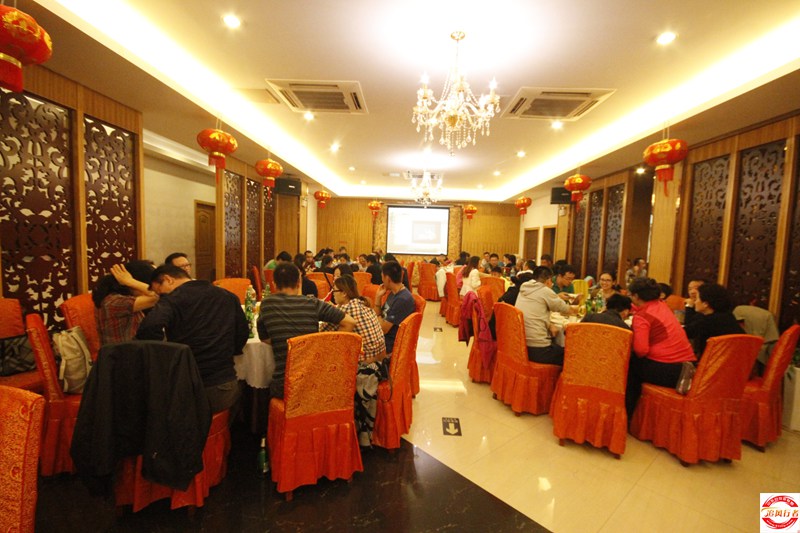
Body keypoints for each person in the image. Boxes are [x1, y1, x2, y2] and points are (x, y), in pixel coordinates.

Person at [136, 264, 249, 413]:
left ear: (168, 279)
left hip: (186, 385)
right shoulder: (227, 296)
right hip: (223, 384)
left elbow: (149, 327)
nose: (161, 297)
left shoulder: (173, 299)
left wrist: (165, 354)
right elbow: (242, 333)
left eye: (160, 292)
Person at [257, 263, 356, 399]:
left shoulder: (267, 304)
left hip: (284, 387)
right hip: (314, 383)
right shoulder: (312, 303)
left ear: (273, 284)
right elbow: (350, 322)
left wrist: (284, 340)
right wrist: (327, 347)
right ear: (299, 283)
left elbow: (264, 338)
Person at [322, 275, 386, 446]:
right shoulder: (363, 304)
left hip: (364, 363)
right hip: (379, 358)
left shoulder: (346, 310)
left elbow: (322, 331)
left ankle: (333, 421)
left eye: (334, 291)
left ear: (344, 293)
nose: (332, 294)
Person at [625, 278, 696, 418]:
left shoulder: (643, 317)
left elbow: (641, 351)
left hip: (670, 371)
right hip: (687, 365)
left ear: (636, 296)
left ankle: (628, 414)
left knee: (629, 366)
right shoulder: (662, 305)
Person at [514, 266, 578, 366]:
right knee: (573, 355)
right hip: (539, 350)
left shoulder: (525, 288)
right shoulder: (544, 290)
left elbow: (535, 313)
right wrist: (577, 309)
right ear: (548, 280)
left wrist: (549, 324)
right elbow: (566, 309)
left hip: (520, 345)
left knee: (558, 346)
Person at [93, 260, 158, 346]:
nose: (145, 291)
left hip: (133, 349)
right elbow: (159, 295)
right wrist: (130, 281)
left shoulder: (120, 298)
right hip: (122, 353)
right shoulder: (115, 302)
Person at [683, 283, 743, 357]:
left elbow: (686, 333)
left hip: (712, 361)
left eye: (697, 299)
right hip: (731, 360)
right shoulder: (728, 316)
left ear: (705, 304)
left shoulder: (708, 321)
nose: (695, 302)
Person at [371, 261, 415, 355]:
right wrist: (378, 297)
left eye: (382, 277)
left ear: (387, 278)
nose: (382, 280)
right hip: (380, 335)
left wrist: (376, 318)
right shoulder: (394, 293)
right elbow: (380, 316)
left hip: (387, 343)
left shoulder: (402, 299)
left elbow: (383, 329)